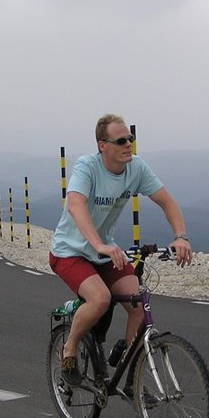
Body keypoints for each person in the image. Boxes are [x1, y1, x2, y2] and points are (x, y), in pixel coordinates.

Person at [49, 114, 192, 385]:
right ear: (103, 146)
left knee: (139, 304)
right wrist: (99, 244)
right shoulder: (87, 167)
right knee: (100, 299)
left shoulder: (136, 168)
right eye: (121, 140)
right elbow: (77, 205)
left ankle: (133, 380)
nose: (129, 145)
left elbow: (167, 202)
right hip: (69, 252)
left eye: (131, 139)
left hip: (106, 253)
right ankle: (69, 349)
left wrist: (181, 236)